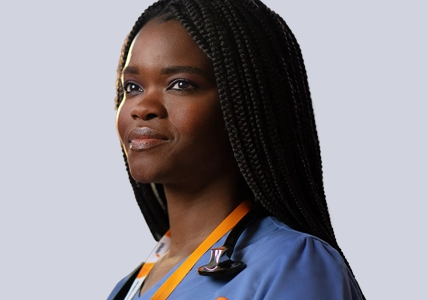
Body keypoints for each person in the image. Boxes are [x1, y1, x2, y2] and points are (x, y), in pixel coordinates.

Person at [107, 0, 365, 299]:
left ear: (245, 105)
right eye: (133, 87)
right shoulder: (126, 289)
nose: (142, 108)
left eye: (180, 84)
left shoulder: (291, 262)